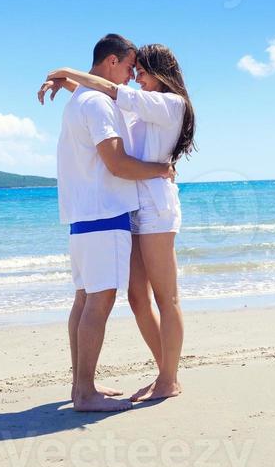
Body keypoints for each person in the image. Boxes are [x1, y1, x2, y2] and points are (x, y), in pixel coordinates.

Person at [40, 43, 196, 403]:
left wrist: (64, 70)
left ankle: (168, 379)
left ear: (160, 71)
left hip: (156, 207)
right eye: (133, 67)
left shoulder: (171, 104)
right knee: (137, 296)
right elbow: (103, 101)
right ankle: (163, 372)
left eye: (142, 69)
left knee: (165, 297)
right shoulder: (141, 106)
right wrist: (69, 86)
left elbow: (110, 90)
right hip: (133, 209)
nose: (136, 75)